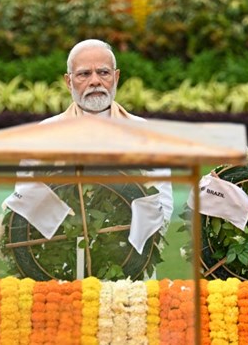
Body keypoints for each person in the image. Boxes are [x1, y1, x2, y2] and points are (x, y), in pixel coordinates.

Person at [40, 39, 173, 221]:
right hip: (63, 244)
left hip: (128, 246)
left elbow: (162, 203)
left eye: (103, 72)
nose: (95, 81)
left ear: (116, 77)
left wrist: (135, 242)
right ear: (68, 81)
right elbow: (28, 199)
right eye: (84, 74)